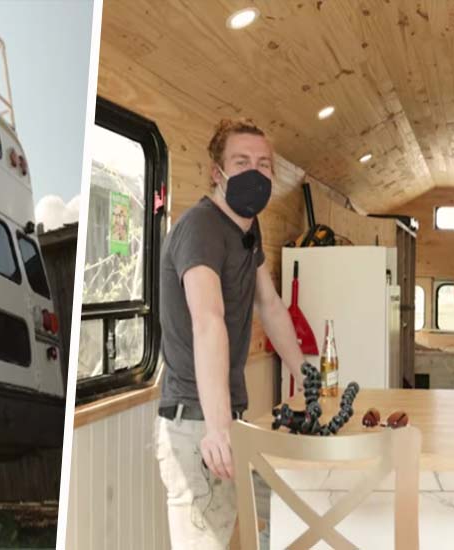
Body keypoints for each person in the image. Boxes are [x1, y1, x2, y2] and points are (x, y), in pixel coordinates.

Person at [155, 118, 307, 548]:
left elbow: (271, 306)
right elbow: (208, 321)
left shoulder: (247, 229)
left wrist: (306, 375)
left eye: (263, 164)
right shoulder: (202, 229)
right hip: (197, 423)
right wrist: (218, 428)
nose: (254, 173)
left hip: (224, 420)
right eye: (241, 162)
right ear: (215, 173)